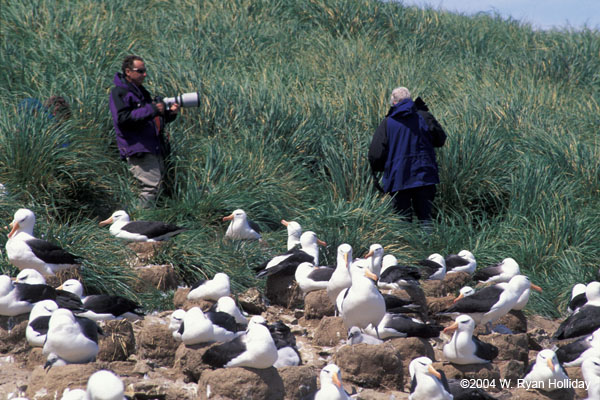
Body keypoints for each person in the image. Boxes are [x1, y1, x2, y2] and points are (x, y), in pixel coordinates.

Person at [368, 87, 446, 228]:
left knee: (402, 221)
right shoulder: (424, 116)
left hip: (398, 178)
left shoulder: (387, 123)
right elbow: (441, 139)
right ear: (410, 99)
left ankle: (407, 248)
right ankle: (428, 247)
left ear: (393, 102)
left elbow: (375, 154)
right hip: (424, 175)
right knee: (425, 218)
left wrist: (382, 168)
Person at [109, 55, 179, 209]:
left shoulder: (141, 92)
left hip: (152, 146)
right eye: (140, 71)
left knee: (157, 187)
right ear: (128, 71)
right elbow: (122, 119)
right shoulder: (119, 93)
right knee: (150, 188)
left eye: (145, 71)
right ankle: (139, 223)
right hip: (138, 147)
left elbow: (151, 120)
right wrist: (153, 109)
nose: (144, 74)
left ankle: (147, 223)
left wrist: (169, 114)